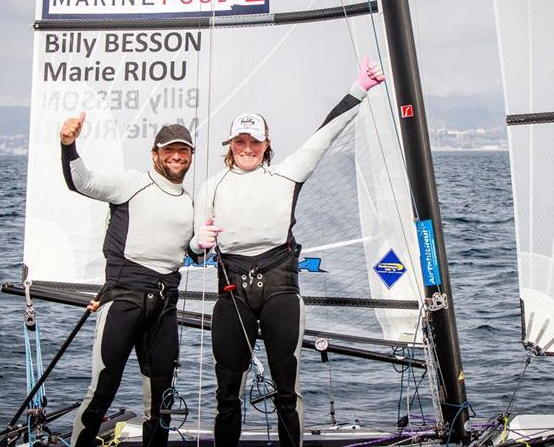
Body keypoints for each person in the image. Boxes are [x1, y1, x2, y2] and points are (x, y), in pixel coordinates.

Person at [193, 57, 384, 446]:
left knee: (286, 390)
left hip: (280, 290)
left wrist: (360, 87)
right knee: (227, 394)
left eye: (255, 141)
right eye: (240, 141)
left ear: (266, 146)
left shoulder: (288, 173)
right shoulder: (210, 186)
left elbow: (325, 134)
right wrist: (198, 244)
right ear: (230, 145)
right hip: (233, 295)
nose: (247, 148)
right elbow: (196, 248)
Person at [60, 111, 200, 447]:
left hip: (164, 309)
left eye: (183, 150)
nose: (177, 156)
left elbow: (195, 251)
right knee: (102, 391)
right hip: (123, 300)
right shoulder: (131, 183)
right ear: (155, 154)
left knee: (161, 402)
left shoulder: (190, 204)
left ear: (191, 156)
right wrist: (68, 144)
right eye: (169, 150)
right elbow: (82, 182)